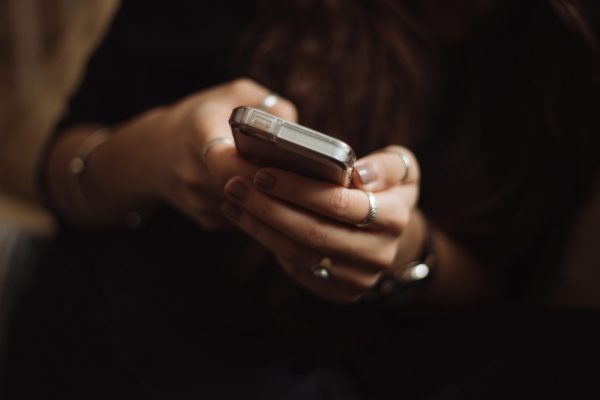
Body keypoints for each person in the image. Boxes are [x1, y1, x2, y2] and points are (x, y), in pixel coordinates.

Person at [1, 0, 599, 398]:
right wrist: (161, 148)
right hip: (92, 339)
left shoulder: (568, 55)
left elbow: (505, 290)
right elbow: (63, 176)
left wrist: (407, 251)